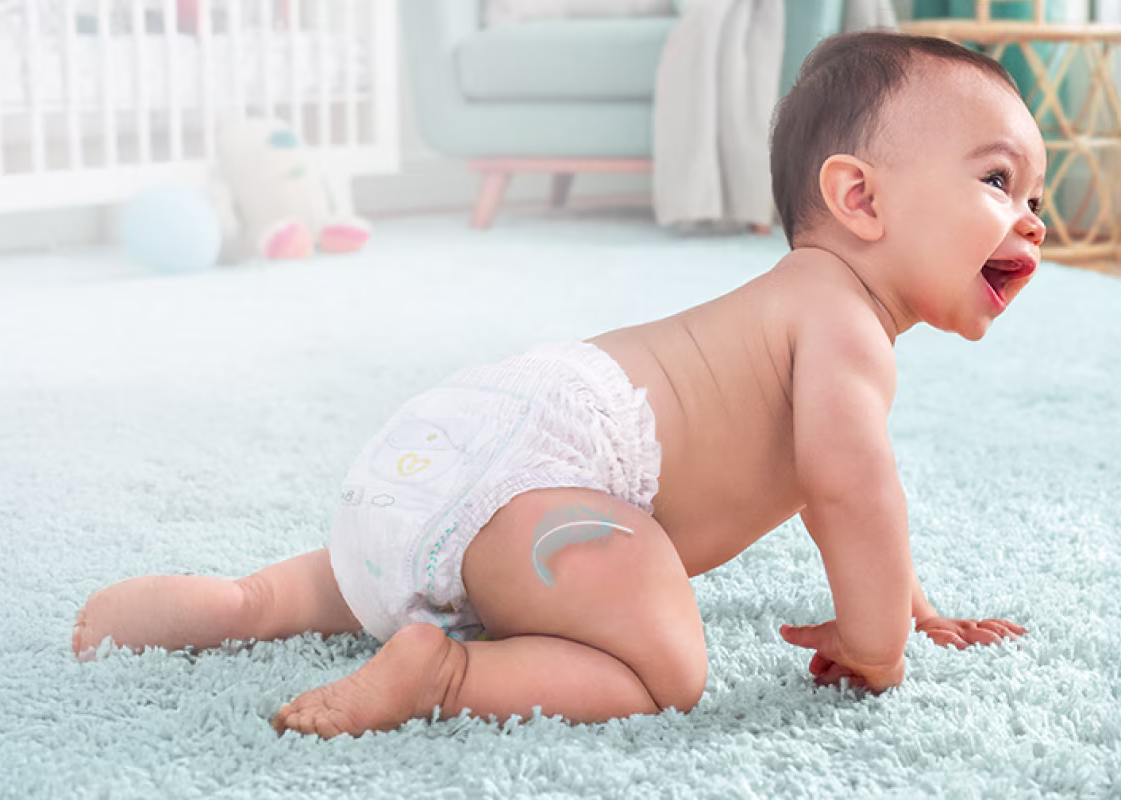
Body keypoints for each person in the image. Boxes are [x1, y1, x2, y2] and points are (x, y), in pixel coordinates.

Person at [72, 31, 1044, 738]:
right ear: (859, 198)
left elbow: (852, 498)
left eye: (1037, 196)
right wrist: (877, 643)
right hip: (563, 470)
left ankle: (232, 605)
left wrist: (910, 601)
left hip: (458, 439)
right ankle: (446, 675)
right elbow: (851, 490)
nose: (1033, 221)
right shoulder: (844, 325)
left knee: (327, 584)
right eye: (998, 181)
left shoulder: (801, 314)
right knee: (666, 668)